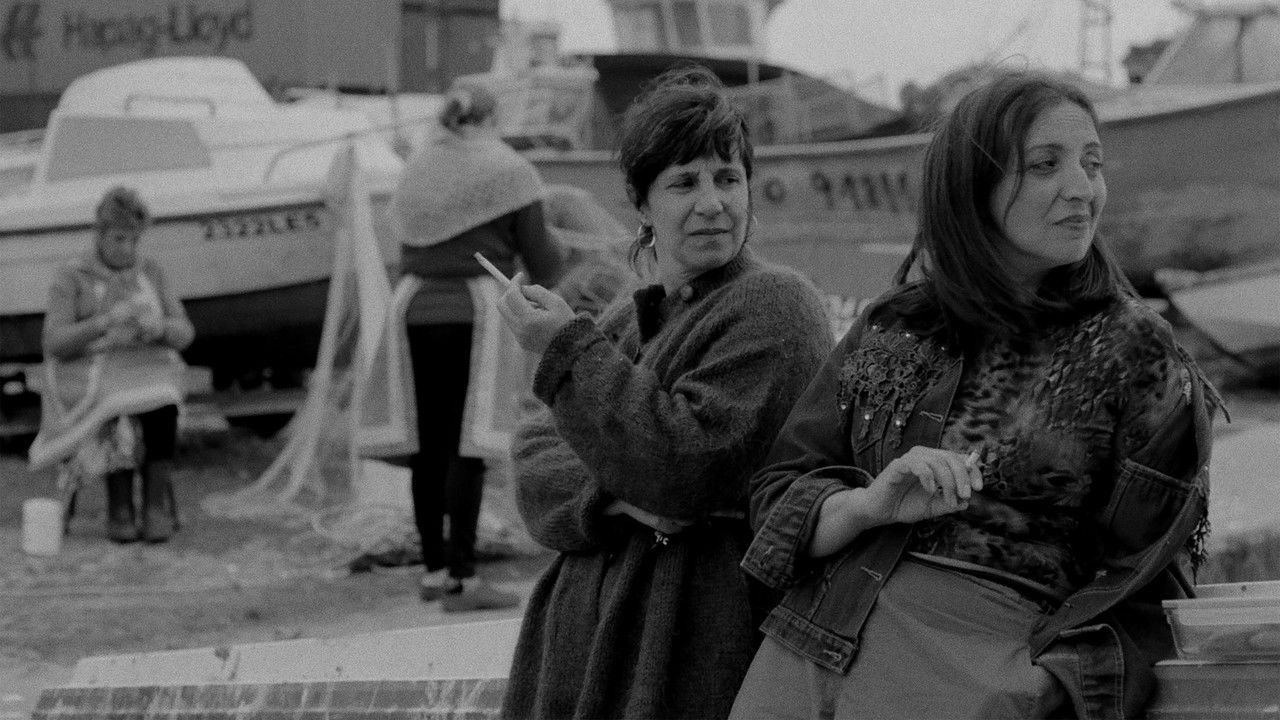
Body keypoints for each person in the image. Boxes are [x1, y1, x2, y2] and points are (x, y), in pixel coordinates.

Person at [731, 70, 1224, 720]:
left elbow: (1151, 577)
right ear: (972, 182)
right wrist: (865, 505)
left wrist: (1044, 689)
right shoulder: (893, 326)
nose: (1082, 189)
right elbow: (774, 497)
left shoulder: (1136, 353)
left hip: (975, 678)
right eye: (1045, 165)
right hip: (804, 658)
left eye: (1092, 163)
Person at [496, 65, 835, 720]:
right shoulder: (626, 319)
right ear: (641, 202)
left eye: (728, 178)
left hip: (696, 640)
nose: (713, 202)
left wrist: (568, 353)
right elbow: (534, 464)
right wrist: (622, 501)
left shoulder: (777, 307)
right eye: (684, 182)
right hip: (585, 648)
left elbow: (682, 466)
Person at [391, 84, 564, 611]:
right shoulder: (508, 170)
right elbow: (546, 263)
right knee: (469, 444)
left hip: (414, 307)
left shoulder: (419, 166)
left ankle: (434, 569)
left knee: (429, 444)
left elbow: (406, 250)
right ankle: (464, 583)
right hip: (475, 311)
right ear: (491, 118)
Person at [31, 186, 194, 543]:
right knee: (114, 402)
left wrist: (158, 327)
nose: (128, 249)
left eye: (134, 240)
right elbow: (53, 342)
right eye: (120, 239)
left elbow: (185, 333)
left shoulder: (151, 271)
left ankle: (153, 506)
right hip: (87, 369)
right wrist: (103, 322)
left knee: (163, 398)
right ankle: (120, 506)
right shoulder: (72, 275)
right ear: (100, 235)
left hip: (142, 363)